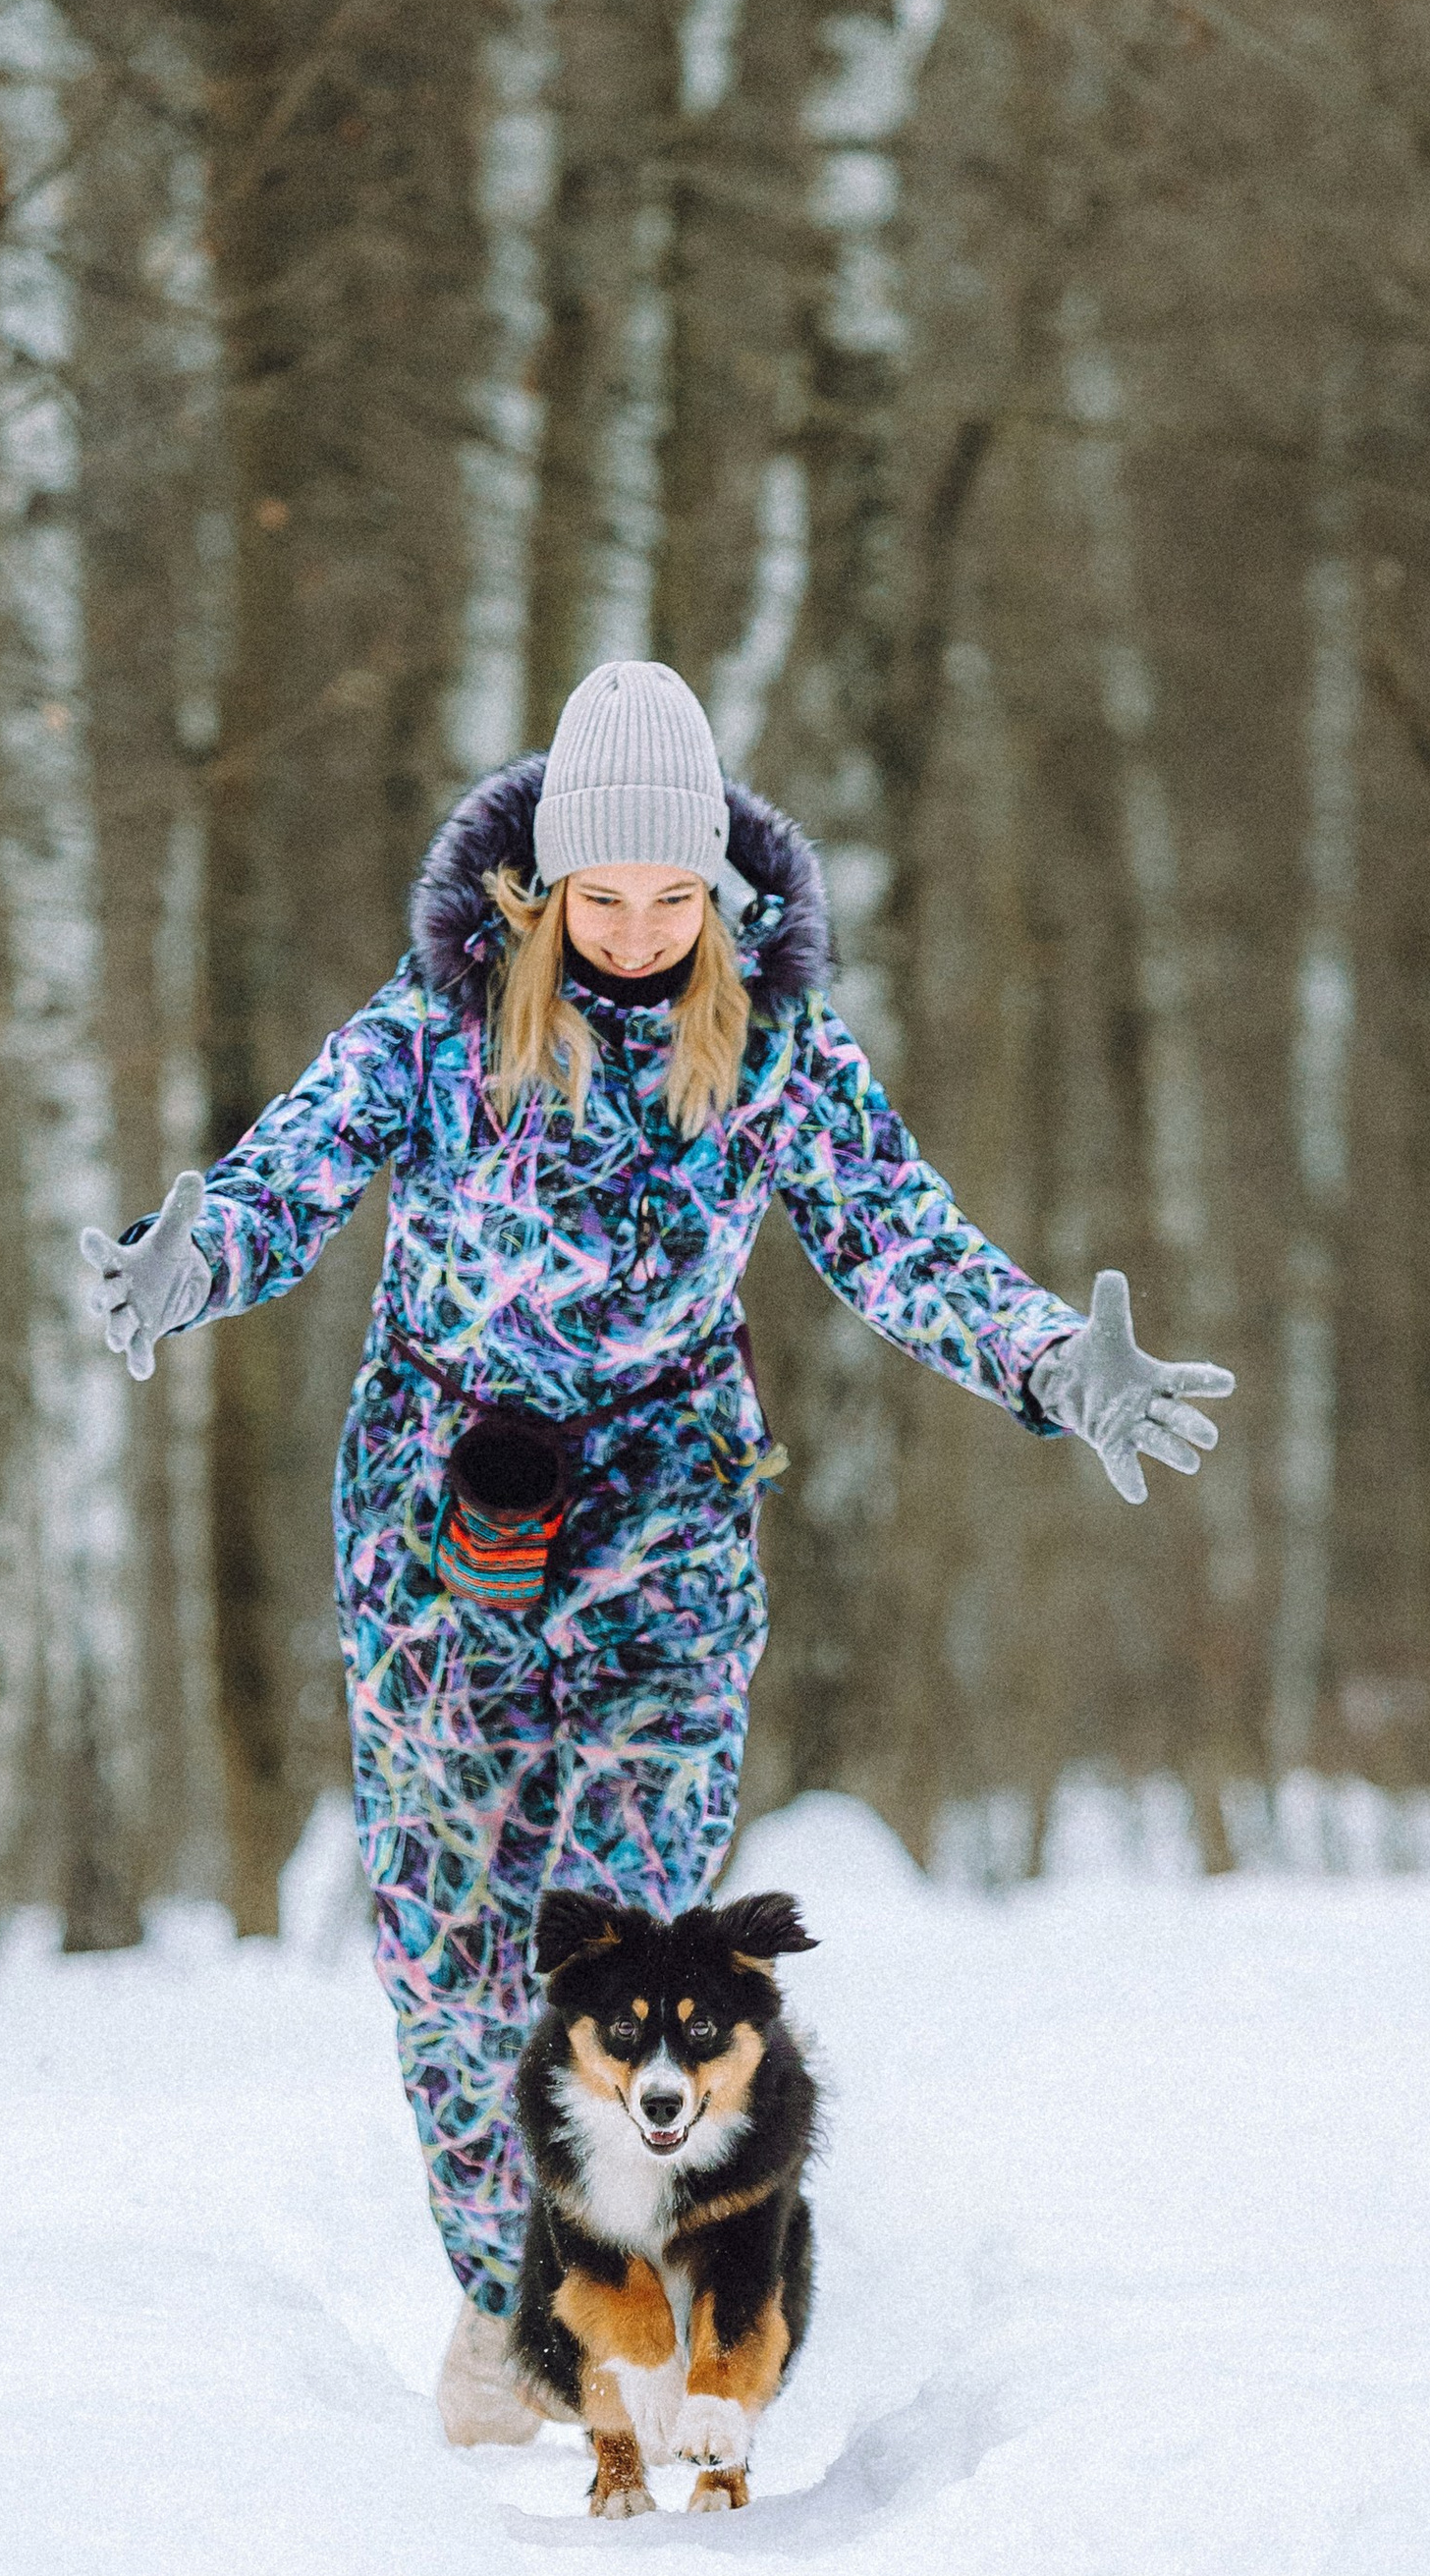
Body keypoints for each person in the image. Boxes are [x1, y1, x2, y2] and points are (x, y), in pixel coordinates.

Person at [82, 659, 1234, 2441]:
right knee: (459, 1983)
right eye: (600, 896)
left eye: (669, 897)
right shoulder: (437, 1023)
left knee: (627, 1974)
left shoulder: (773, 1044)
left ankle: (669, 2306)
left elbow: (899, 1241)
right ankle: (507, 2301)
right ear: (543, 885)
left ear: (721, 888)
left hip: (668, 1539)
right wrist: (192, 1255)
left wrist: (1047, 1363)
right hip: (438, 1530)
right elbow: (287, 1172)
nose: (633, 932)